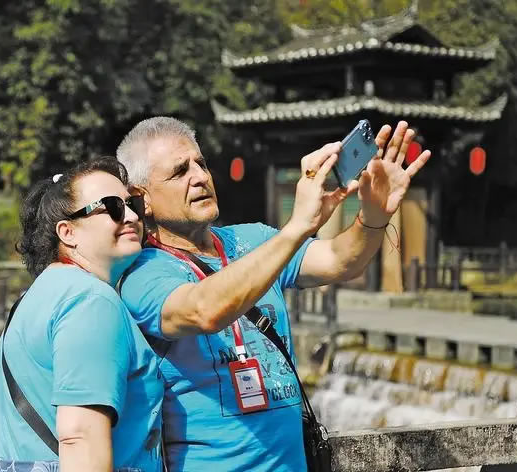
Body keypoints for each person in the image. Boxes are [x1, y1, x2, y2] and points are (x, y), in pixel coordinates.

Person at [116, 116, 430, 471]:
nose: (200, 177)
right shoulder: (143, 272)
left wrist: (372, 216)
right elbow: (203, 309)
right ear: (142, 199)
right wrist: (297, 228)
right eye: (179, 171)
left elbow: (340, 260)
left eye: (201, 164)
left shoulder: (254, 239)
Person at [0, 157, 163, 472]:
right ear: (67, 232)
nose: (130, 216)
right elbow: (80, 437)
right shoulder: (91, 301)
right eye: (111, 207)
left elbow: (3, 422)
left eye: (132, 205)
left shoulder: (31, 300)